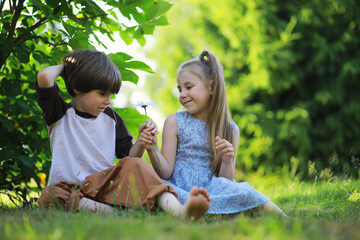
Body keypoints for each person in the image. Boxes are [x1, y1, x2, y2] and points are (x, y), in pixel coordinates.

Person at [35, 49, 210, 221]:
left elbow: (129, 157)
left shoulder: (111, 118)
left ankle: (179, 211)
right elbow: (44, 77)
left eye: (110, 94)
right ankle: (113, 212)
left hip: (105, 186)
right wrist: (68, 67)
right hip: (70, 189)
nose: (108, 100)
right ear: (77, 87)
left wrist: (141, 142)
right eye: (102, 93)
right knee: (50, 195)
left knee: (136, 164)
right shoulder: (59, 113)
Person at [141, 50, 287, 217]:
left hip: (211, 190)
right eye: (180, 89)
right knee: (162, 190)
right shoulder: (174, 122)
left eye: (189, 87)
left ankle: (283, 217)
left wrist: (227, 160)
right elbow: (164, 172)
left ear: (211, 87)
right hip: (178, 187)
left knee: (245, 191)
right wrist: (152, 149)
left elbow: (225, 181)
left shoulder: (231, 129)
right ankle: (185, 211)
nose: (182, 94)